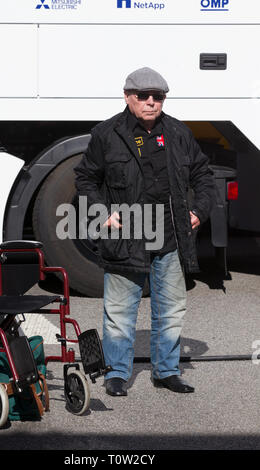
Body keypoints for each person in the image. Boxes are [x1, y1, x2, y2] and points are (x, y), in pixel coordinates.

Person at [74, 67, 215, 396]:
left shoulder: (179, 133)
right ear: (128, 97)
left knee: (171, 308)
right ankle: (117, 373)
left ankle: (166, 371)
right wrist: (101, 211)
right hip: (127, 239)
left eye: (158, 97)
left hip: (170, 238)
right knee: (120, 311)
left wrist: (199, 210)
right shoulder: (107, 134)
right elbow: (85, 178)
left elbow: (203, 176)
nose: (151, 102)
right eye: (143, 96)